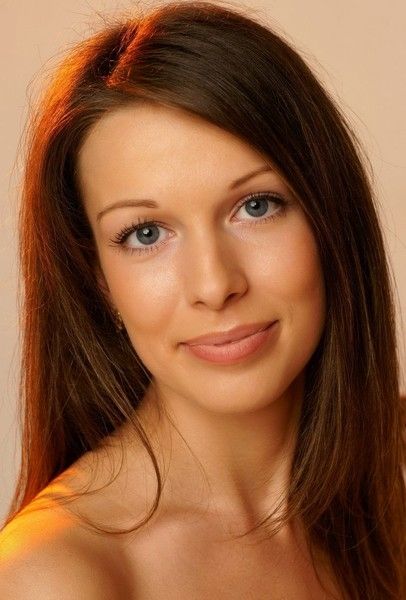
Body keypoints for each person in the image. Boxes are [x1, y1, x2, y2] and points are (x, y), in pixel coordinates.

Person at [0, 1, 405, 598]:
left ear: (328, 216)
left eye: (256, 206)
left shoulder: (390, 473)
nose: (215, 285)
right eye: (145, 234)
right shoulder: (57, 577)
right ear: (99, 280)